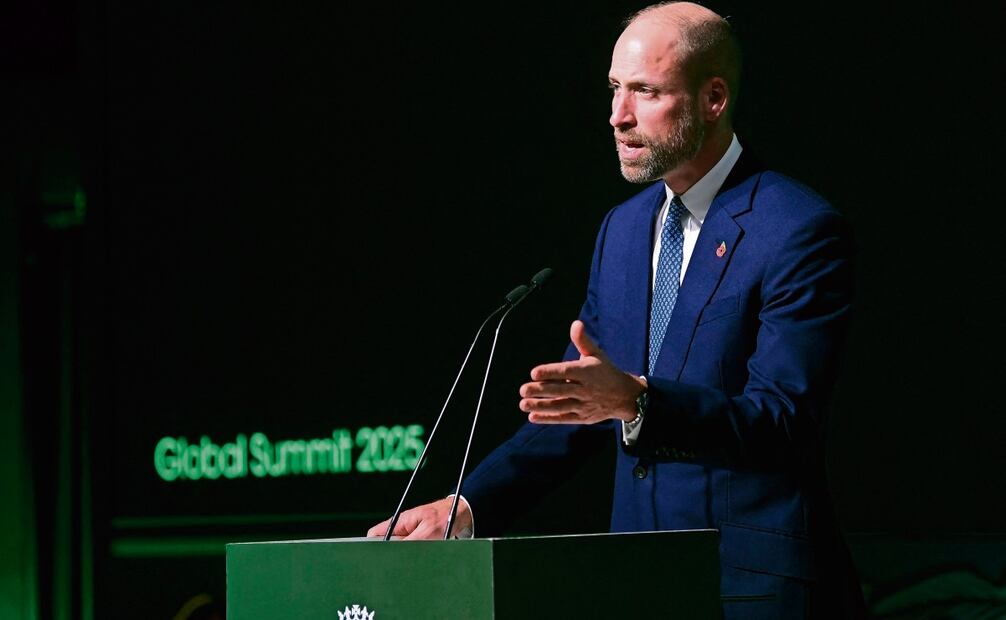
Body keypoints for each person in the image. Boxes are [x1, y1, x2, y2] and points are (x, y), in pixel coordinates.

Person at [369, 2, 866, 617]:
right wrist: (467, 506)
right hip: (637, 583)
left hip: (753, 592)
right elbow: (577, 409)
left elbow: (782, 421)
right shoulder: (624, 231)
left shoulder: (797, 230)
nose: (618, 117)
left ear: (714, 98)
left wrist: (637, 400)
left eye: (645, 92)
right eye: (614, 90)